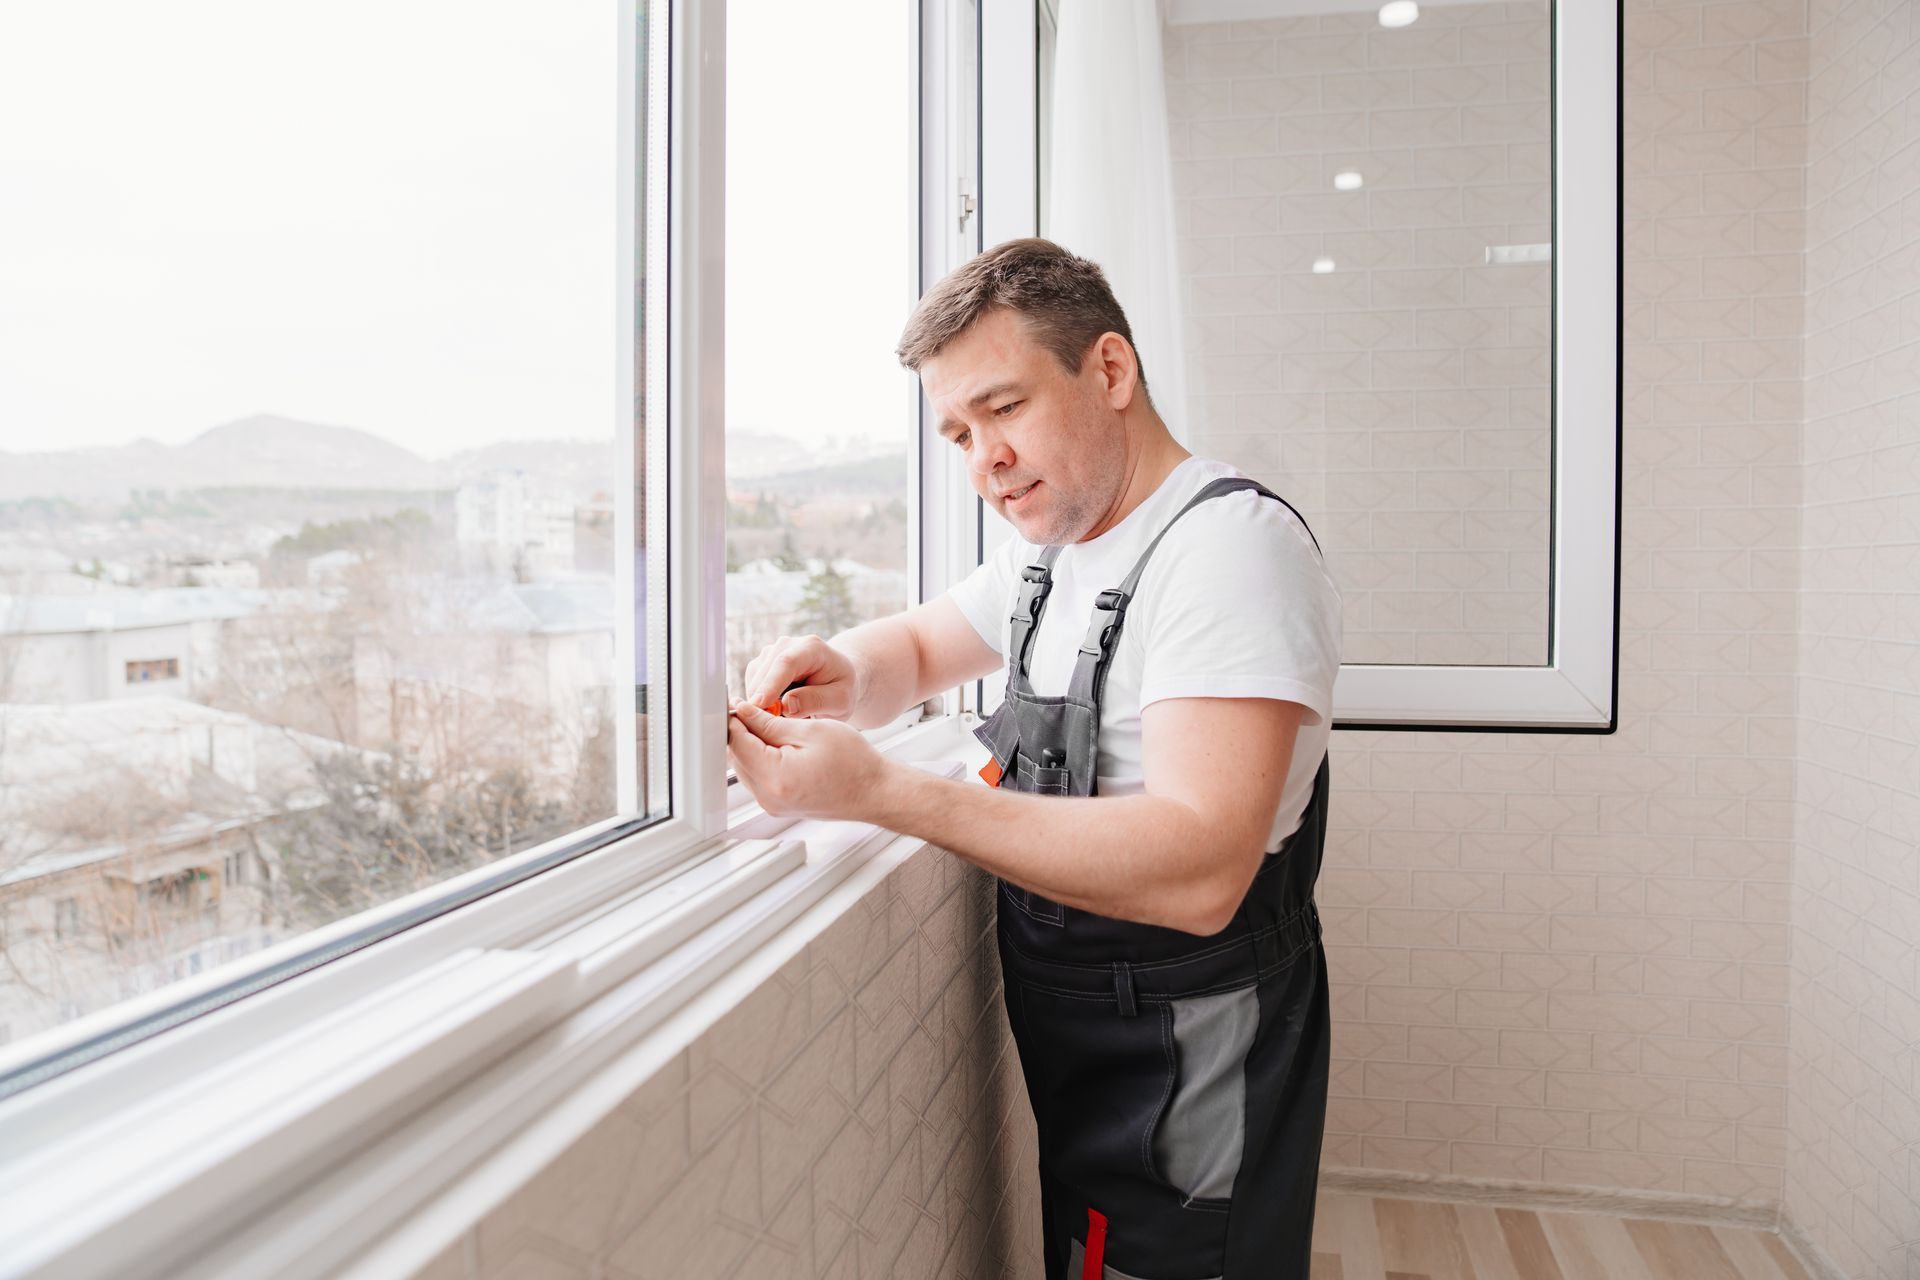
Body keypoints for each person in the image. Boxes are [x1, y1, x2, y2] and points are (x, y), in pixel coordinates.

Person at [726, 237, 1342, 1279]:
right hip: (1091, 1037)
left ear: (1108, 370)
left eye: (1004, 408)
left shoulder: (1226, 551)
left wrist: (882, 789)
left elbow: (1201, 866)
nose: (984, 461)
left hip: (1197, 1046)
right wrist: (836, 665)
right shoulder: (1053, 551)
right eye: (959, 432)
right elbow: (920, 649)